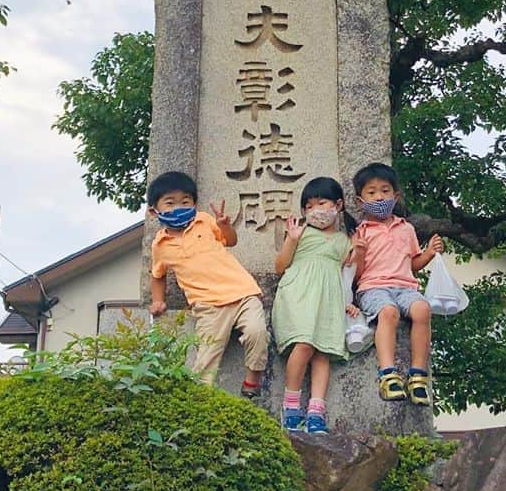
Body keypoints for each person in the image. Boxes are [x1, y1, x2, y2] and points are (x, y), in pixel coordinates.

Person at [147, 170, 267, 397]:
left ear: (194, 203)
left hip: (242, 292)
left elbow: (230, 240)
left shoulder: (204, 221)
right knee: (206, 358)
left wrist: (224, 225)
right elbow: (157, 275)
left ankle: (252, 382)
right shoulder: (160, 245)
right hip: (207, 305)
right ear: (154, 210)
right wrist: (158, 301)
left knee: (257, 332)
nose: (178, 207)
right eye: (170, 203)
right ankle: (199, 403)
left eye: (186, 201)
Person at [351, 162, 443, 405]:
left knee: (423, 309)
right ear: (360, 201)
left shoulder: (407, 229)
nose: (379, 197)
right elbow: (357, 275)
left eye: (384, 190)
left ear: (396, 195)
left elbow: (412, 264)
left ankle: (418, 375)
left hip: (405, 286)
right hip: (372, 286)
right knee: (388, 313)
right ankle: (388, 373)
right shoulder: (361, 232)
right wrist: (358, 253)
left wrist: (429, 254)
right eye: (371, 193)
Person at [272, 176, 359, 434]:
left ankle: (316, 412)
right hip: (299, 295)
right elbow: (280, 267)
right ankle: (290, 407)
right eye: (309, 206)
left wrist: (348, 302)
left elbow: (351, 274)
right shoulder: (301, 233)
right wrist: (291, 239)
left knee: (323, 352)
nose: (315, 211)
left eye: (322, 203)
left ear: (338, 205)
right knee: (304, 345)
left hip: (329, 299)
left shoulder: (345, 241)